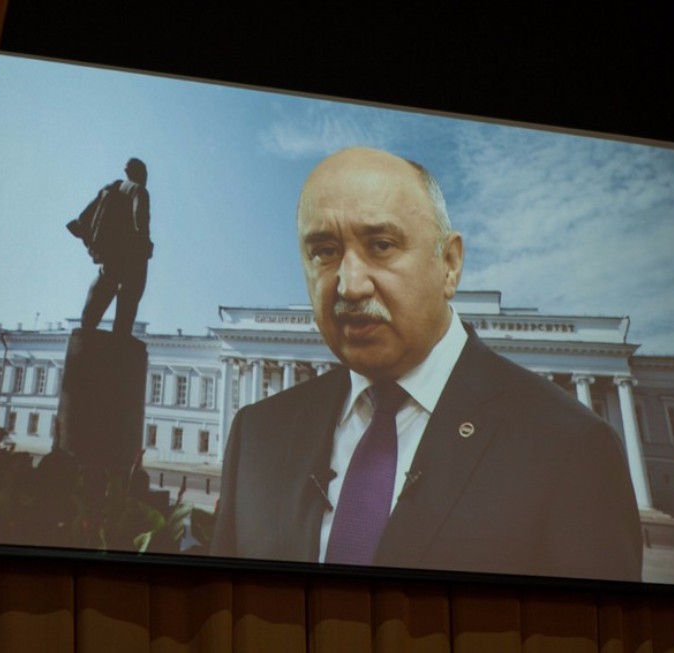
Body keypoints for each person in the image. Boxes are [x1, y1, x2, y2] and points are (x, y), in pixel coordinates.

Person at [210, 146, 643, 582]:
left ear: (450, 264)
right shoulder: (257, 435)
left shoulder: (570, 447)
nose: (350, 285)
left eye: (381, 246)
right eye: (324, 251)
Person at [67, 157, 154, 336]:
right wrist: (145, 245)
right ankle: (121, 335)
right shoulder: (139, 190)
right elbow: (140, 221)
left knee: (103, 286)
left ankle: (86, 327)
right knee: (130, 294)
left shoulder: (112, 189)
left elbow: (84, 219)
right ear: (141, 173)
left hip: (111, 253)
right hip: (131, 255)